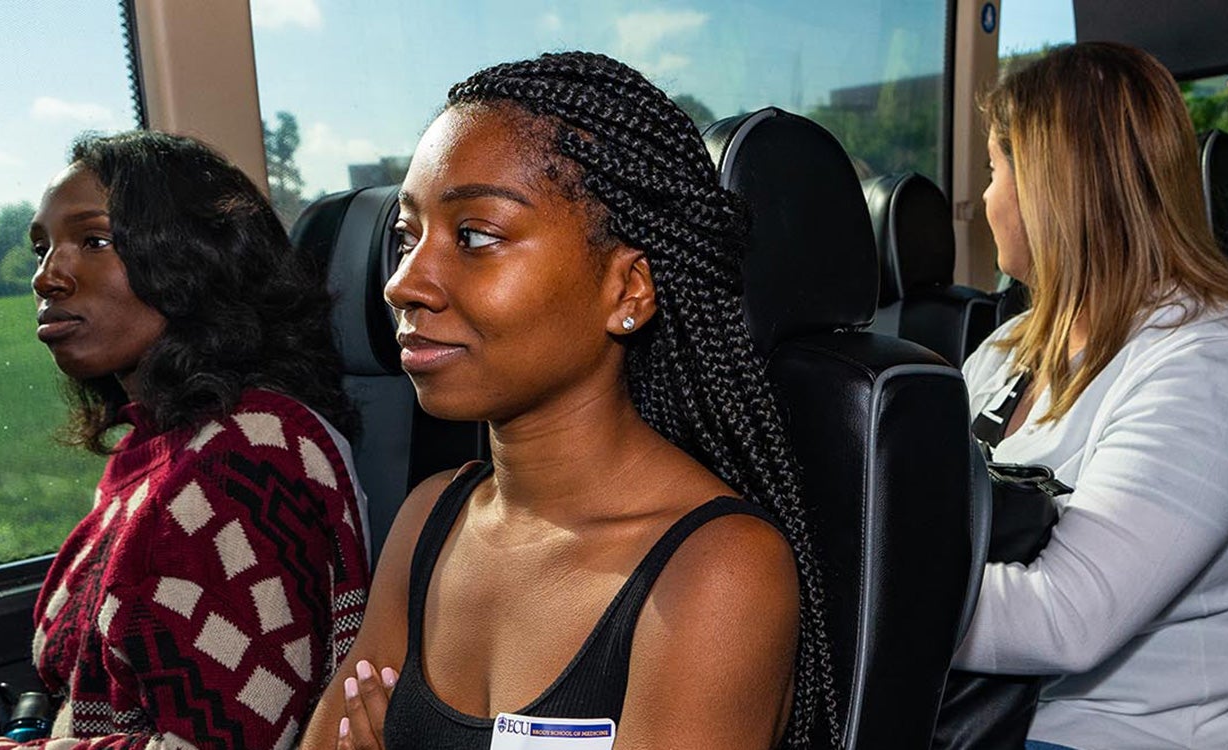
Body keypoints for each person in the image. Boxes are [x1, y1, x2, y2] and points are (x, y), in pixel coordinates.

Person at [300, 53, 837, 750]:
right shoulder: (430, 518)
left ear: (627, 291)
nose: (404, 281)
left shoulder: (717, 572)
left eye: (474, 236)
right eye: (407, 237)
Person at [0, 132, 369, 749]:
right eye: (41, 248)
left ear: (195, 257)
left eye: (95, 240)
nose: (46, 276)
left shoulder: (243, 460)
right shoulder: (168, 442)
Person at [952, 42, 1228, 749]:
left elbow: (1066, 619)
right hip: (991, 714)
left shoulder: (1214, 360)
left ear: (1052, 188)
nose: (985, 201)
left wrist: (830, 592)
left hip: (1130, 732)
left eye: (994, 172)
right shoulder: (1010, 346)